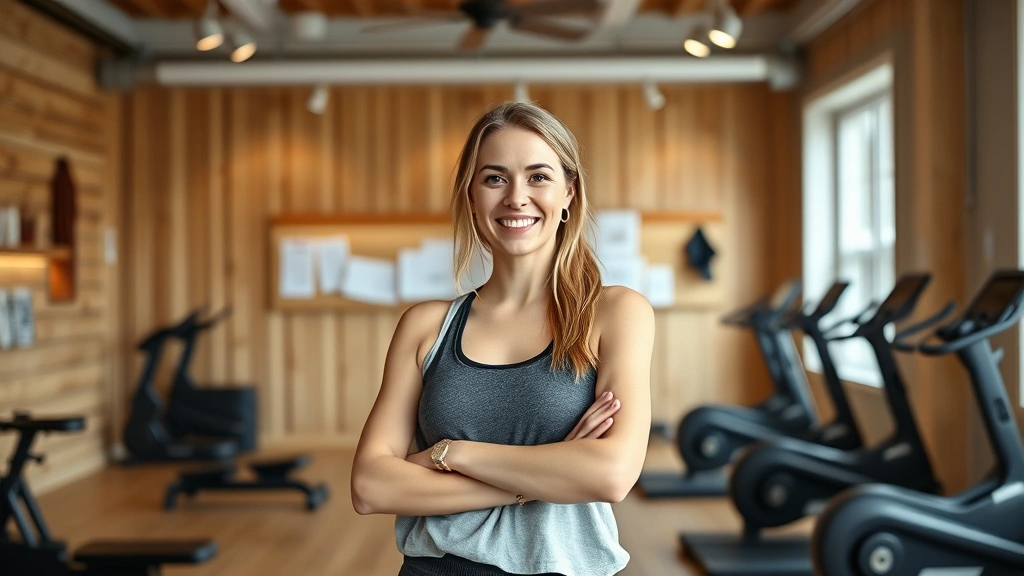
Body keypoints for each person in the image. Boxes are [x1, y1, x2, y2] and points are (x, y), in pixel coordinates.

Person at [350, 101, 654, 576]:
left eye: (538, 177)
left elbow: (611, 474)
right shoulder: (426, 326)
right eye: (494, 178)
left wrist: (452, 454)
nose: (516, 197)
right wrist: (544, 477)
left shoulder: (615, 313)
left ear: (569, 192)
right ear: (471, 196)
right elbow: (371, 487)